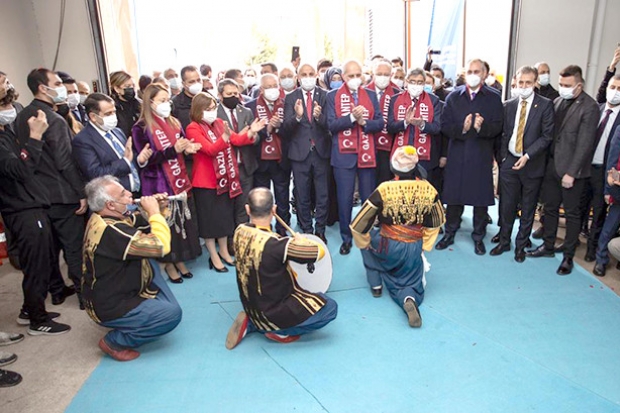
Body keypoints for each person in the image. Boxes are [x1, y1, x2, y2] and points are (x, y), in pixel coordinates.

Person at [82, 176, 182, 361]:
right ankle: (114, 342)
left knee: (149, 262)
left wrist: (159, 209)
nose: (130, 194)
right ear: (111, 205)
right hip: (110, 305)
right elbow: (161, 246)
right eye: (123, 194)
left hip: (114, 289)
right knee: (171, 315)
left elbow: (137, 221)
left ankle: (145, 311)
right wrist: (154, 213)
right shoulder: (111, 231)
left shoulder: (102, 216)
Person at [225, 188, 337, 350]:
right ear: (274, 210)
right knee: (330, 307)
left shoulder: (239, 231)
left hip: (251, 306)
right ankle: (278, 331)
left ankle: (252, 321)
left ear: (247, 209)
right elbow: (318, 252)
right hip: (273, 312)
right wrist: (302, 241)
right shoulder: (277, 244)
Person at [0, 88, 71, 335]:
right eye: (4, 106)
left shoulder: (7, 134)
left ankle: (29, 310)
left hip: (30, 204)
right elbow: (21, 169)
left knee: (39, 263)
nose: (10, 110)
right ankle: (37, 321)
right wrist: (35, 136)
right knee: (37, 265)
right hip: (22, 209)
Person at [350, 146, 445, 327]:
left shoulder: (384, 189)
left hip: (388, 246)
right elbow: (436, 222)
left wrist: (365, 242)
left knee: (367, 243)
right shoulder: (429, 189)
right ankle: (408, 298)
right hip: (414, 246)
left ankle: (376, 285)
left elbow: (358, 225)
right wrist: (424, 247)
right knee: (410, 281)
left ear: (394, 168)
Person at [15, 68, 86, 306]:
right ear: (42, 88)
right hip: (62, 194)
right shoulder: (53, 120)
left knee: (51, 248)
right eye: (56, 83)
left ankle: (56, 290)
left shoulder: (22, 115)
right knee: (74, 247)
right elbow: (64, 161)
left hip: (37, 194)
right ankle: (85, 295)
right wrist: (80, 192)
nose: (62, 88)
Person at [527, 65, 599, 275]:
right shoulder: (558, 101)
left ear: (579, 85)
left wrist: (571, 173)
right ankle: (548, 246)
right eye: (561, 84)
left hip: (572, 172)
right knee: (549, 208)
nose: (563, 88)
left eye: (567, 85)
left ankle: (568, 256)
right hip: (552, 166)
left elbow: (585, 144)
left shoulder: (590, 107)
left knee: (572, 214)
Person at [185, 92, 265, 271]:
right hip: (206, 182)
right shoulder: (193, 128)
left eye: (214, 108)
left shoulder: (220, 123)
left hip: (224, 179)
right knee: (209, 221)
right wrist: (225, 138)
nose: (212, 112)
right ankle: (213, 255)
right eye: (208, 109)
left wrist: (252, 131)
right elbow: (210, 150)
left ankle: (223, 251)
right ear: (198, 110)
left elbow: (237, 139)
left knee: (224, 218)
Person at [132, 84, 202, 282]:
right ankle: (170, 263)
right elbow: (146, 159)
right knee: (166, 223)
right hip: (157, 184)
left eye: (167, 99)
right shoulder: (141, 127)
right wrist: (174, 150)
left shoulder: (173, 121)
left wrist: (188, 148)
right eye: (162, 100)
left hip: (178, 180)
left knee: (180, 222)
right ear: (150, 102)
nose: (167, 104)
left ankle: (179, 259)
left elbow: (182, 143)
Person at [435, 59, 503, 255]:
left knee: (480, 201)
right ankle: (450, 233)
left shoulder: (493, 98)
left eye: (477, 71)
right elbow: (445, 126)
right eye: (470, 71)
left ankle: (479, 236)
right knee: (454, 199)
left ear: (484, 74)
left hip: (481, 155)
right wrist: (462, 128)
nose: (473, 75)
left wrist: (482, 128)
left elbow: (498, 127)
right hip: (457, 155)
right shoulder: (453, 97)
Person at [490, 66, 554, 263]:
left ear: (535, 83)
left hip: (532, 164)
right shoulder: (508, 105)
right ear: (516, 82)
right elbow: (503, 134)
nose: (524, 86)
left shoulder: (545, 105)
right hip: (509, 161)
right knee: (506, 206)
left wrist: (527, 156)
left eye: (528, 82)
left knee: (527, 208)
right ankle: (504, 241)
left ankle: (520, 245)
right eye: (520, 82)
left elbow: (547, 136)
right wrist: (502, 158)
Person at [326, 60, 385, 255]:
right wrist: (351, 118)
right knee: (344, 199)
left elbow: (380, 123)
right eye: (350, 76)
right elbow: (331, 125)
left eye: (358, 75)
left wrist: (364, 122)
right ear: (343, 77)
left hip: (367, 153)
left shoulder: (370, 94)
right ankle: (346, 238)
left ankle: (365, 235)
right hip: (343, 156)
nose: (355, 79)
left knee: (368, 199)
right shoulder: (332, 96)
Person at [281, 63, 331, 243]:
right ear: (298, 77)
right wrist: (297, 116)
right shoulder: (291, 98)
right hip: (299, 154)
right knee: (302, 195)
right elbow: (285, 129)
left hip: (321, 152)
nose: (308, 77)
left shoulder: (325, 95)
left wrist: (319, 117)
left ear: (316, 75)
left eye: (311, 74)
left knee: (322, 194)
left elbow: (331, 125)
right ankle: (307, 229)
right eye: (304, 74)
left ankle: (320, 229)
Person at [72, 93, 149, 195]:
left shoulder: (117, 132)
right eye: (108, 114)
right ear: (93, 116)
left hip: (137, 193)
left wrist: (139, 160)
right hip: (114, 198)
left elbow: (129, 157)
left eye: (114, 112)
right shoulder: (83, 140)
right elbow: (96, 174)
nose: (113, 116)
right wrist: (125, 162)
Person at [246, 74, 292, 236]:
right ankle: (263, 231)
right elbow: (249, 135)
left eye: (275, 86)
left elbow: (292, 131)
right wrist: (268, 129)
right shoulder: (250, 107)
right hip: (260, 161)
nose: (273, 90)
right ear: (261, 89)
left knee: (283, 198)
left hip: (281, 160)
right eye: (268, 87)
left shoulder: (286, 104)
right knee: (261, 201)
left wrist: (279, 127)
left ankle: (282, 230)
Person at [581, 74, 620, 262]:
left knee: (598, 212)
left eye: (619, 89)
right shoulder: (597, 110)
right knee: (579, 206)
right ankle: (573, 241)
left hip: (605, 171)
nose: (615, 92)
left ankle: (592, 249)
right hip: (585, 167)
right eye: (612, 87)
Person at [388, 68, 444, 192]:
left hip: (425, 158)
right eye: (412, 81)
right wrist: (405, 122)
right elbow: (390, 127)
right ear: (406, 82)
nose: (416, 85)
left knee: (422, 194)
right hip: (401, 157)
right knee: (402, 193)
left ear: (424, 83)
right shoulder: (395, 99)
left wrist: (422, 124)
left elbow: (437, 128)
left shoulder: (433, 100)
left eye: (420, 82)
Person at [217, 79, 258, 245]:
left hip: (245, 166)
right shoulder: (215, 114)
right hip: (225, 169)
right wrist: (241, 136)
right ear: (220, 95)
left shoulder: (246, 111)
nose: (233, 97)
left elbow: (256, 138)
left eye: (236, 93)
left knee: (243, 206)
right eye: (229, 94)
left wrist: (252, 135)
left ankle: (241, 240)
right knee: (227, 208)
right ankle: (228, 242)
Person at [367, 60, 401, 185]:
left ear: (391, 75)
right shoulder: (364, 92)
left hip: (389, 148)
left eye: (386, 74)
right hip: (367, 145)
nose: (382, 77)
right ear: (373, 74)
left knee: (385, 184)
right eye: (379, 74)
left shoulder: (398, 94)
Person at [171, 65, 204, 131]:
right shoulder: (175, 104)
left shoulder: (209, 98)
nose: (196, 84)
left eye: (198, 80)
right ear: (183, 84)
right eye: (192, 82)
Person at [109, 70, 141, 138]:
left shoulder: (140, 104)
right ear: (117, 89)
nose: (131, 88)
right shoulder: (112, 108)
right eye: (127, 86)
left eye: (133, 86)